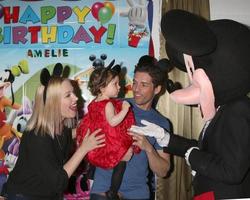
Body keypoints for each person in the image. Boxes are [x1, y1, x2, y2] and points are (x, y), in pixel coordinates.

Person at [130, 9, 250, 199]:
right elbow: (210, 151)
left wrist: (191, 154)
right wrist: (166, 138)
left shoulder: (239, 108)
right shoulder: (223, 109)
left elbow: (232, 171)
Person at [3, 64, 105, 200]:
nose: (75, 98)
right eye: (68, 95)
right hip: (24, 195)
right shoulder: (37, 136)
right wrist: (84, 148)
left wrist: (92, 124)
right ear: (52, 102)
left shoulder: (59, 128)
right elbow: (58, 182)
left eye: (73, 93)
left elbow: (67, 135)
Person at [90, 58, 171, 200]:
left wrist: (148, 148)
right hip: (104, 189)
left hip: (137, 193)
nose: (136, 89)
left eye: (144, 85)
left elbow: (163, 171)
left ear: (157, 89)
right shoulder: (114, 105)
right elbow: (90, 137)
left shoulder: (161, 122)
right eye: (134, 82)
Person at [76, 63, 140, 200]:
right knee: (122, 160)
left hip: (99, 141)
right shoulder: (108, 104)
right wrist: (125, 109)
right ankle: (112, 190)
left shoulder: (94, 102)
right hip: (109, 141)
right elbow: (113, 122)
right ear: (102, 87)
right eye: (115, 84)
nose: (119, 86)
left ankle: (90, 175)